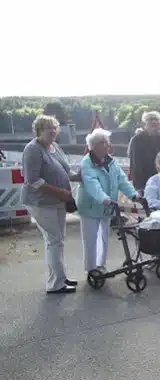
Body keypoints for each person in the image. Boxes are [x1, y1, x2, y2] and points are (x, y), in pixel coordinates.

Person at [20, 115, 81, 294]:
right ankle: (55, 284)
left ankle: (60, 277)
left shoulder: (55, 147)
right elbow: (33, 181)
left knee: (58, 241)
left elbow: (67, 170)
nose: (53, 131)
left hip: (57, 202)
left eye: (55, 127)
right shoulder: (32, 149)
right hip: (41, 203)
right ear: (39, 130)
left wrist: (81, 175)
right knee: (54, 241)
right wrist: (62, 192)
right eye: (49, 128)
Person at [77, 129, 138, 275]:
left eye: (106, 142)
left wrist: (133, 195)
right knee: (90, 239)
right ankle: (91, 268)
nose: (106, 145)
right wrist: (104, 198)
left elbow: (122, 180)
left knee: (103, 237)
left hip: (107, 207)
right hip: (91, 206)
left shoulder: (111, 162)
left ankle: (101, 264)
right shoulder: (87, 163)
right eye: (102, 142)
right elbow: (92, 184)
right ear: (94, 146)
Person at [128, 111, 160, 191]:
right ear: (145, 123)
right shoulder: (137, 140)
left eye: (156, 119)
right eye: (150, 119)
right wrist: (140, 186)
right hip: (145, 181)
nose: (154, 122)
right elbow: (135, 164)